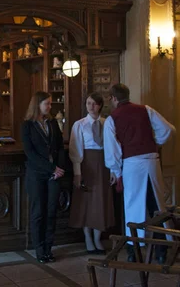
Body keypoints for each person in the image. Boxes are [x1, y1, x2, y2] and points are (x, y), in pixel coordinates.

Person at [103, 83, 175, 263]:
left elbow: (113, 151)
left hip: (132, 164)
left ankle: (133, 252)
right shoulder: (146, 110)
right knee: (157, 206)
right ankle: (161, 252)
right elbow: (168, 130)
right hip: (151, 161)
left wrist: (115, 170)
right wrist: (154, 141)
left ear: (113, 98)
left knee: (132, 207)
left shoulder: (113, 118)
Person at [22, 91, 66, 263]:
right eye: (46, 103)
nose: (49, 106)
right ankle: (39, 250)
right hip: (37, 174)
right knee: (38, 212)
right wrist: (52, 168)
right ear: (37, 105)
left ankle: (49, 248)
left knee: (51, 212)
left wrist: (60, 167)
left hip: (54, 174)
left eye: (50, 103)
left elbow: (60, 147)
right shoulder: (27, 125)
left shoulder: (53, 122)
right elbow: (30, 153)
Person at [68, 92, 115, 254]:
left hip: (104, 165)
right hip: (87, 165)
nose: (91, 107)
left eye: (94, 104)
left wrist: (113, 169)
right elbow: (75, 149)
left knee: (101, 201)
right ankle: (88, 237)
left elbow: (111, 147)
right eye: (88, 103)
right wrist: (77, 172)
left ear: (100, 105)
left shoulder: (107, 123)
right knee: (87, 202)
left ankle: (97, 237)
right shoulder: (80, 125)